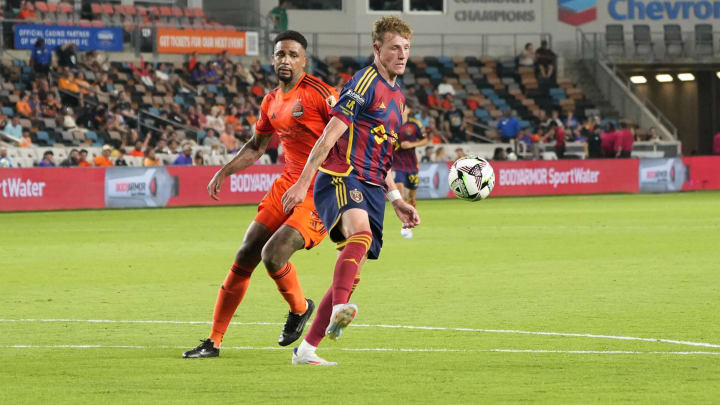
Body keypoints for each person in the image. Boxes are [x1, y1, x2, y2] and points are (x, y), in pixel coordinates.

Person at [182, 30, 339, 359]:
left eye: (293, 55)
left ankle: (299, 309)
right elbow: (256, 146)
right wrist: (224, 170)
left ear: (304, 61)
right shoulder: (271, 101)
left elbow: (346, 136)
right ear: (272, 59)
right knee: (245, 254)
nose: (286, 60)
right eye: (281, 54)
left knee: (274, 254)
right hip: (287, 184)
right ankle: (213, 342)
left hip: (320, 189)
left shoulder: (320, 94)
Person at [281, 16, 419, 366]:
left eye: (406, 48)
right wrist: (302, 183)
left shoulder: (399, 99)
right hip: (342, 175)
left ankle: (306, 349)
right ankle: (341, 307)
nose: (401, 54)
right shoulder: (364, 82)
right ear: (377, 49)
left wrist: (397, 200)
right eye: (394, 48)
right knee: (361, 234)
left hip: (373, 185)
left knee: (353, 265)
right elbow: (329, 136)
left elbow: (383, 154)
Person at [393, 107, 428, 239]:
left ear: (408, 110)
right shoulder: (391, 123)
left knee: (412, 198)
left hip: (412, 166)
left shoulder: (414, 124)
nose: (402, 108)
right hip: (396, 165)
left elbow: (425, 140)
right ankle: (405, 225)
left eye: (404, 107)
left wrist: (412, 144)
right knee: (400, 194)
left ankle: (410, 219)